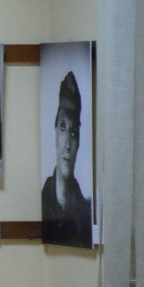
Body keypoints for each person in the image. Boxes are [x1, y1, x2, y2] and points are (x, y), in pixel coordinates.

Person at [41, 71, 91, 249]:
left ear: (79, 143)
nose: (68, 145)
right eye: (63, 128)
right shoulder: (41, 201)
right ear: (55, 134)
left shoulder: (86, 213)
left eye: (74, 133)